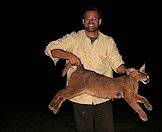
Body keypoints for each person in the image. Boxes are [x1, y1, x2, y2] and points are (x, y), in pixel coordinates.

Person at [45, 5, 134, 132]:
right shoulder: (73, 38)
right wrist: (69, 55)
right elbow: (50, 49)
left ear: (100, 21)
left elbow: (117, 64)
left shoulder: (108, 41)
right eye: (87, 19)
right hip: (80, 98)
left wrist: (126, 70)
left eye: (94, 18)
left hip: (103, 96)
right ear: (83, 21)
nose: (91, 21)